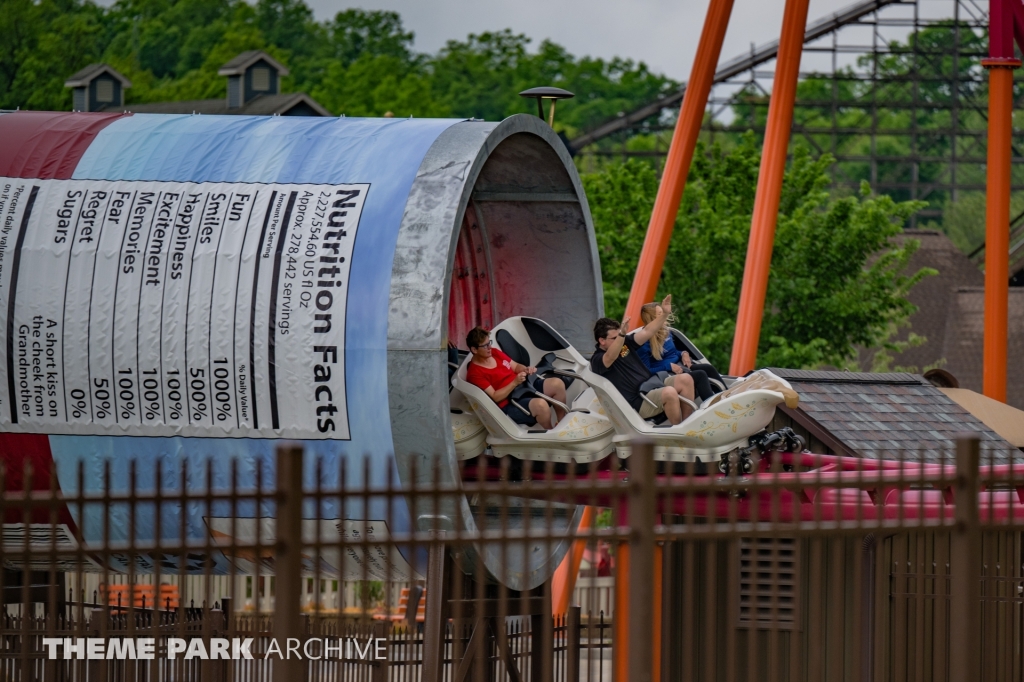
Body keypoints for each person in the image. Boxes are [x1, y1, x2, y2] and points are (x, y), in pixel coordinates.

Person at [590, 295, 696, 425]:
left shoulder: (624, 342)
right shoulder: (597, 359)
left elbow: (647, 332)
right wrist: (622, 334)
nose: (619, 340)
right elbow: (610, 357)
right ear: (602, 340)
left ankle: (688, 423)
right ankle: (679, 430)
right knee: (669, 392)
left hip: (651, 385)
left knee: (686, 379)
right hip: (638, 400)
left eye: (620, 336)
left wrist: (664, 314)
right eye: (615, 338)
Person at [465, 326, 568, 429]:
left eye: (489, 343)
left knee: (557, 384)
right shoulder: (474, 373)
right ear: (474, 349)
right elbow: (495, 397)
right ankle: (550, 432)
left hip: (522, 386)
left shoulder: (495, 353)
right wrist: (514, 383)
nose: (489, 347)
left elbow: (515, 366)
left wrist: (526, 369)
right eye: (485, 346)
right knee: (541, 405)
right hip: (509, 402)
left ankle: (561, 423)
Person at [635, 302, 726, 402]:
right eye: (661, 314)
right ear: (652, 319)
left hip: (680, 366)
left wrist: (683, 353)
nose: (666, 315)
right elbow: (647, 371)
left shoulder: (666, 331)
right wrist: (669, 366)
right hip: (667, 374)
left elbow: (673, 352)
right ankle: (712, 405)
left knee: (708, 368)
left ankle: (727, 396)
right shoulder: (643, 344)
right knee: (700, 375)